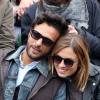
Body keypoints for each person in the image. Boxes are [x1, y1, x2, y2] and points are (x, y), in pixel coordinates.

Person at [0, 12, 68, 100]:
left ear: (54, 46)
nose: (38, 43)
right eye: (36, 35)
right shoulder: (2, 58)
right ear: (29, 33)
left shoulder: (56, 83)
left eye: (47, 41)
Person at [21, 0, 100, 66]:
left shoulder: (91, 6)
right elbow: (29, 53)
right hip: (46, 73)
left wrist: (80, 35)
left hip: (86, 71)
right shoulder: (31, 12)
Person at [51, 33, 100, 100]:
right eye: (58, 59)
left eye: (68, 62)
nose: (61, 65)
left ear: (80, 62)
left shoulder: (97, 78)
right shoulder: (47, 73)